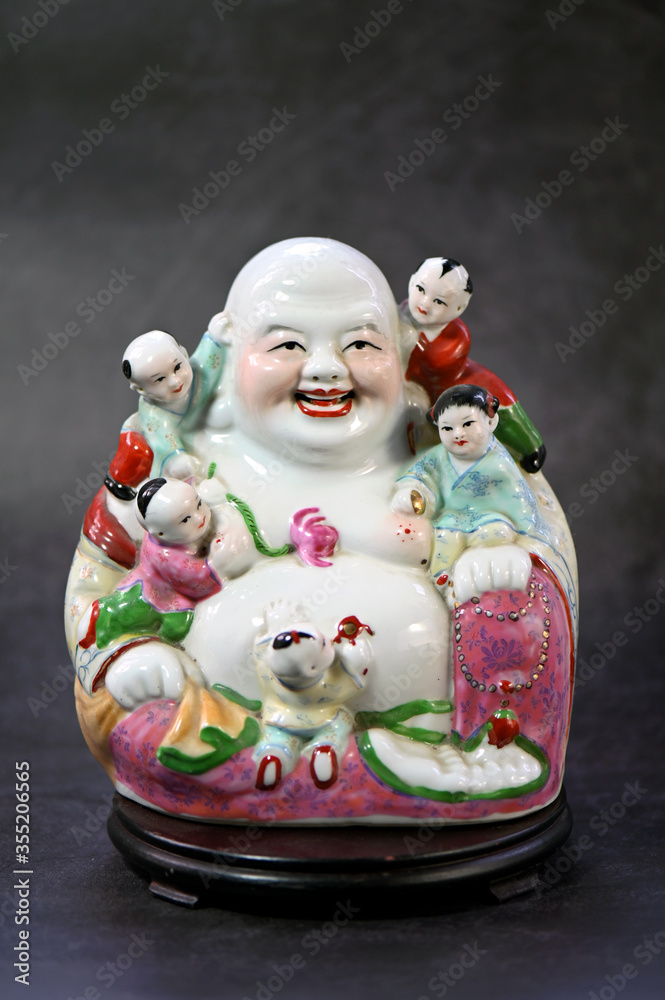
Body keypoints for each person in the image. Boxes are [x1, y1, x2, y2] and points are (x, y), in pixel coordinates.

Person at [393, 384, 549, 595]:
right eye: (447, 428)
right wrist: (415, 492)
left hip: (490, 519)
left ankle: (478, 581)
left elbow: (520, 500)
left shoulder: (499, 464)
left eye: (467, 424)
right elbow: (420, 475)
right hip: (450, 520)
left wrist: (529, 533)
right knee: (443, 543)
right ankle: (444, 583)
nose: (458, 434)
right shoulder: (439, 456)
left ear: (491, 422)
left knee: (494, 535)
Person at [404, 257, 546, 472]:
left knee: (493, 400)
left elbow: (433, 367)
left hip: (440, 391)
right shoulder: (396, 314)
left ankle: (529, 447)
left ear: (459, 308)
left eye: (439, 301)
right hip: (408, 389)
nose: (425, 303)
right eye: (420, 289)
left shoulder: (456, 338)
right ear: (412, 281)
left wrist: (411, 342)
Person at [122, 318, 228, 479]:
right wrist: (177, 457)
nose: (175, 381)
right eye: (159, 379)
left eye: (177, 367)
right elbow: (163, 439)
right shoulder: (153, 415)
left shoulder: (199, 371)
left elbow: (208, 354)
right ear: (141, 390)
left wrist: (215, 337)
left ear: (184, 355)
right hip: (188, 445)